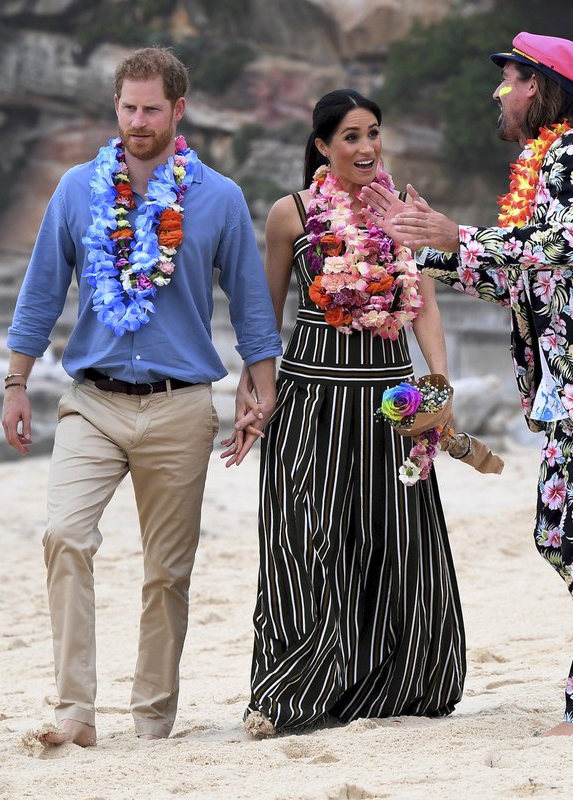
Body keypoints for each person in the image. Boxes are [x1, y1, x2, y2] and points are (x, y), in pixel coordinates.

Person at [363, 32, 573, 736]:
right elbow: (519, 273)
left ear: (540, 87)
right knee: (560, 537)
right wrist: (423, 245)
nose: (499, 92)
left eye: (509, 79)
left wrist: (457, 234)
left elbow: (567, 244)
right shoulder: (544, 162)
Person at [1, 46, 282, 746]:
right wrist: (14, 381)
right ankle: (74, 710)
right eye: (127, 107)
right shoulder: (75, 190)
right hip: (91, 399)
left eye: (151, 108)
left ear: (178, 110)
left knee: (167, 570)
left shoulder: (217, 197)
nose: (137, 121)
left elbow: (250, 305)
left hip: (182, 403)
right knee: (64, 535)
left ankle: (153, 719)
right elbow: (40, 293)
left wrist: (263, 393)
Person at [234, 89, 465, 735]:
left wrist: (439, 387)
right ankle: (292, 693)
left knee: (392, 541)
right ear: (322, 146)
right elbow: (263, 316)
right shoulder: (292, 214)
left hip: (392, 400)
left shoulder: (402, 213)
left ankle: (390, 686)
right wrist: (252, 391)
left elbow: (422, 305)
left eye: (373, 134)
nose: (366, 147)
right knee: (305, 542)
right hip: (309, 400)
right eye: (351, 137)